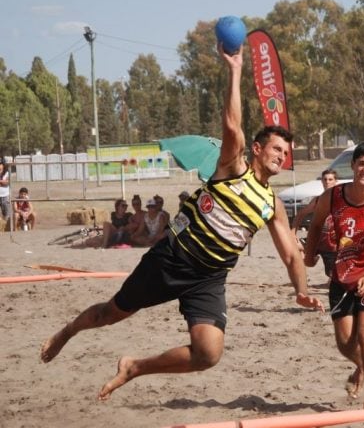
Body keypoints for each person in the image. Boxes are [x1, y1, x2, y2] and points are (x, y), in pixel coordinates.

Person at [40, 44, 324, 400]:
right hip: (171, 259)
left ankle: (135, 367)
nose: (282, 156)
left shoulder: (271, 204)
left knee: (208, 354)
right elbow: (232, 125)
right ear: (256, 148)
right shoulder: (232, 168)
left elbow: (292, 257)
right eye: (276, 149)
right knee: (111, 313)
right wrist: (235, 72)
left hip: (208, 278)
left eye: (286, 153)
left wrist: (301, 291)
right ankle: (68, 331)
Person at [303, 141, 364, 409]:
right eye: (362, 163)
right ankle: (363, 366)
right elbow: (316, 225)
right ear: (353, 165)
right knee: (345, 343)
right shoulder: (332, 196)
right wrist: (309, 256)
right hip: (342, 273)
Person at [291, 169, 338, 277]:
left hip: (331, 244)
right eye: (325, 179)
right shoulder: (317, 200)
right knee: (292, 245)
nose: (327, 182)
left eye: (330, 179)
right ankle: (309, 262)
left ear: (336, 181)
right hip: (315, 239)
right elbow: (300, 214)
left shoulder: (341, 200)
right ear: (321, 181)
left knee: (331, 275)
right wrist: (293, 233)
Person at [0, 159, 10, 223]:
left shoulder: (7, 173)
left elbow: (7, 183)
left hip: (5, 195)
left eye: (0, 164)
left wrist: (2, 182)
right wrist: (2, 182)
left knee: (6, 213)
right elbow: (4, 182)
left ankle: (6, 226)